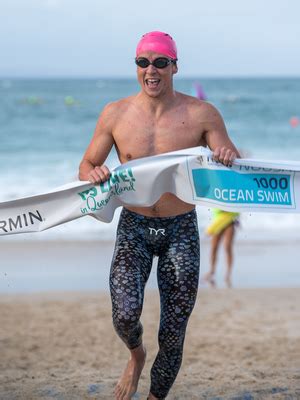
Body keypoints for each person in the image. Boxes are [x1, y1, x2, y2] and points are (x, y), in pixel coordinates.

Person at [78, 31, 239, 400]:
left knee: (173, 331)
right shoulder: (115, 114)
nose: (151, 70)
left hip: (180, 229)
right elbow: (87, 164)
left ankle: (155, 396)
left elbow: (226, 154)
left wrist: (227, 155)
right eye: (143, 62)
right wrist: (94, 174)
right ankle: (136, 355)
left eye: (160, 62)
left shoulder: (203, 113)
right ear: (136, 67)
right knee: (124, 315)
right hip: (134, 225)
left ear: (174, 67)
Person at [202, 208, 240, 288]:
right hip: (218, 220)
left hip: (230, 221)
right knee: (214, 248)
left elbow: (238, 207)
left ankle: (228, 274)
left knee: (227, 247)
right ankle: (212, 271)